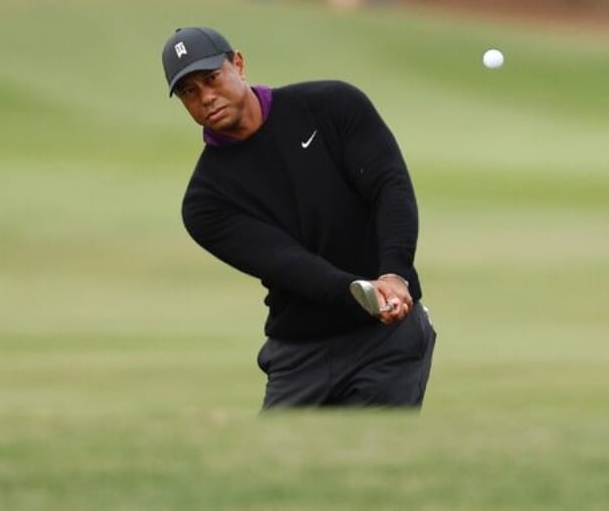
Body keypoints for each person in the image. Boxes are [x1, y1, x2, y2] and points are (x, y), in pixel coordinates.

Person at [161, 27, 436, 409]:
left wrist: (394, 274)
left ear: (237, 64)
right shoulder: (206, 202)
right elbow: (289, 263)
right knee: (275, 465)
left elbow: (390, 188)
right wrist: (364, 293)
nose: (206, 97)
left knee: (372, 460)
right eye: (189, 92)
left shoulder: (331, 106)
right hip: (300, 353)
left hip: (387, 338)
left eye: (212, 79)